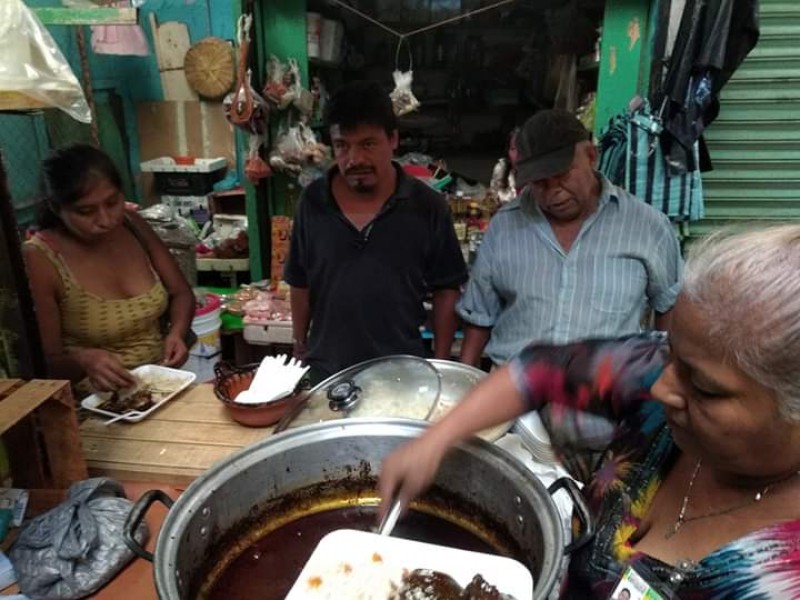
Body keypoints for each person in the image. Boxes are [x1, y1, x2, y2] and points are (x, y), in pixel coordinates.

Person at [380, 225, 800, 597]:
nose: (660, 385)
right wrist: (434, 440)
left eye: (706, 390)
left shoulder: (783, 578)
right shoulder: (665, 367)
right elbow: (536, 371)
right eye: (672, 354)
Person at [457, 109, 682, 368]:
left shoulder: (647, 226)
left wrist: (670, 378)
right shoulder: (504, 226)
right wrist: (463, 382)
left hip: (605, 399)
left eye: (563, 176)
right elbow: (479, 317)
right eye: (540, 183)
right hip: (514, 399)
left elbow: (671, 308)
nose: (554, 193)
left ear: (591, 156)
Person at [284, 80, 468, 383]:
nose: (355, 159)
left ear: (393, 139)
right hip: (326, 373)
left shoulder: (427, 206)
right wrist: (299, 343)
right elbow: (299, 281)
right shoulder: (313, 202)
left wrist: (441, 362)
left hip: (402, 374)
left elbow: (446, 289)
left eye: (368, 144)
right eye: (343, 146)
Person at [23, 144, 195, 392]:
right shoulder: (41, 258)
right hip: (93, 405)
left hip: (161, 386)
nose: (106, 220)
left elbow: (180, 292)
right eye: (86, 211)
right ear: (56, 208)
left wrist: (177, 333)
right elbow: (44, 363)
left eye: (112, 202)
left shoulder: (132, 224)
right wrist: (84, 360)